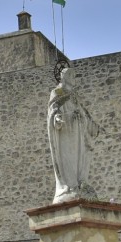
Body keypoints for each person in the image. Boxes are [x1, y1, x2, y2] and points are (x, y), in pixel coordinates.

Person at [47, 53, 100, 203]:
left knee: (79, 158)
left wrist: (92, 126)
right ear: (63, 77)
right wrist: (56, 117)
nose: (72, 78)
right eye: (70, 75)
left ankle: (79, 184)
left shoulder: (74, 95)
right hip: (65, 131)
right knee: (67, 158)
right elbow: (53, 107)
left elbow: (84, 112)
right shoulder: (57, 92)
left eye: (74, 76)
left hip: (77, 131)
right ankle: (68, 186)